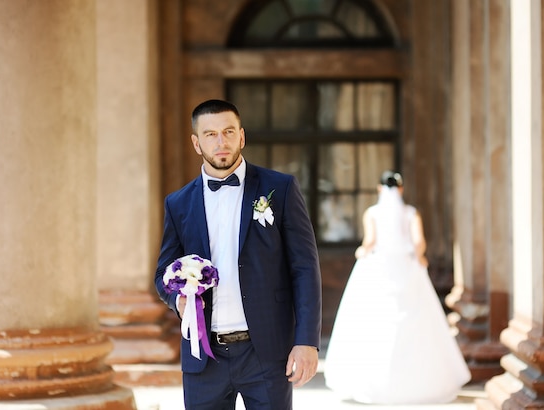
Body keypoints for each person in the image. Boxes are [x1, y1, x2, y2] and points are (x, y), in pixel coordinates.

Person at [154, 99, 322, 410]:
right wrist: (179, 299)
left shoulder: (280, 188)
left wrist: (307, 341)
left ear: (241, 136)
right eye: (211, 134)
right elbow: (163, 272)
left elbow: (305, 268)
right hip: (204, 357)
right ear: (196, 142)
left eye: (229, 132)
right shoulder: (177, 204)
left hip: (267, 353)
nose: (221, 142)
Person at [323, 170, 471, 404]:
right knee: (419, 320)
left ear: (380, 189)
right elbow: (419, 242)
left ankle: (375, 382)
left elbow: (370, 241)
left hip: (379, 266)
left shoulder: (372, 213)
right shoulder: (411, 213)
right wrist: (419, 257)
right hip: (406, 267)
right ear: (400, 189)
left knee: (374, 320)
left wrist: (362, 251)